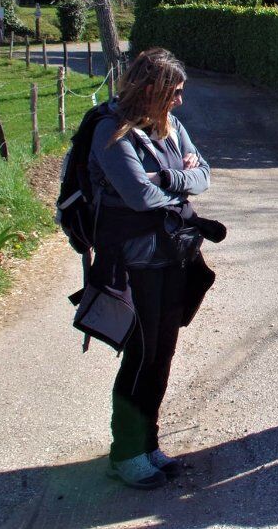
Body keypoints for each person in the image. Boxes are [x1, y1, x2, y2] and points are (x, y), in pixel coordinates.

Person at [90, 48, 212, 489]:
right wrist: (176, 180)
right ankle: (125, 453)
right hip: (134, 262)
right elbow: (138, 197)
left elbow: (204, 176)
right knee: (141, 355)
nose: (180, 101)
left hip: (172, 256)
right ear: (150, 89)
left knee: (163, 352)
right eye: (173, 92)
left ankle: (148, 441)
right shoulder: (112, 133)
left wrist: (166, 180)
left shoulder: (171, 126)